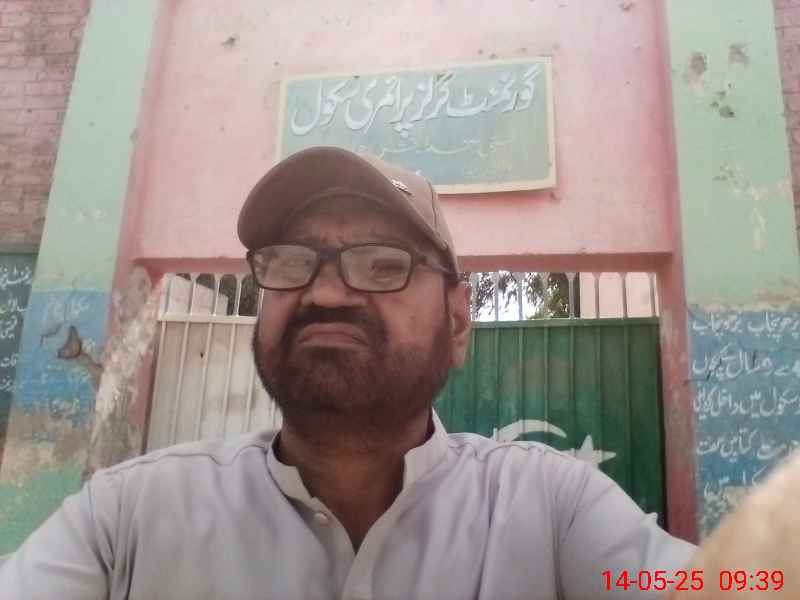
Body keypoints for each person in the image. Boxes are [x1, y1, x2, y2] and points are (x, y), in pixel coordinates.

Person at [0, 146, 695, 599]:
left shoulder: (553, 510)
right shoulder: (127, 517)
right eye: (290, 262)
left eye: (383, 264)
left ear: (458, 323)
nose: (326, 293)